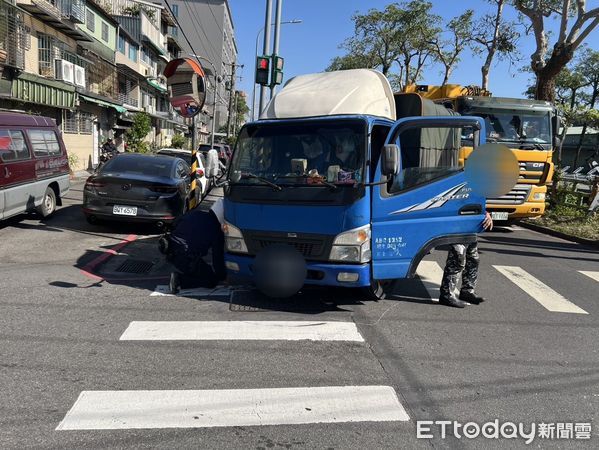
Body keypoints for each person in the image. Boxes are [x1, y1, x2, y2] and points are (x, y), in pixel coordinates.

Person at [168, 198, 226, 293]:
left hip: (170, 250)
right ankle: (179, 280)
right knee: (211, 280)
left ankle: (186, 274)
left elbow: (175, 223)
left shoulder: (195, 213)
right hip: (186, 257)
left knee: (200, 268)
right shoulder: (216, 231)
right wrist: (222, 276)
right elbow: (217, 258)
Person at [439, 211, 493, 308]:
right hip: (457, 222)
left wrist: (485, 213)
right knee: (457, 259)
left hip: (470, 224)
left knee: (473, 260)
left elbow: (477, 199)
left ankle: (467, 292)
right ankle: (446, 295)